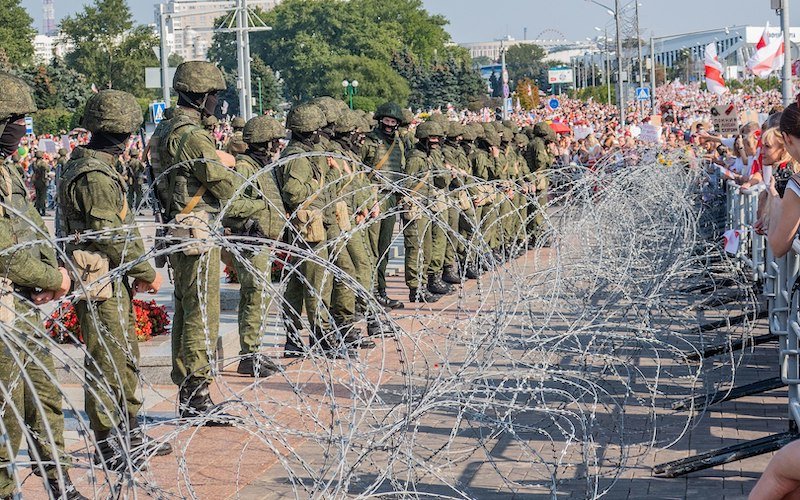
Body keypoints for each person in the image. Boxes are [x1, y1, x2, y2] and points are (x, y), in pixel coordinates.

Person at [58, 89, 173, 470]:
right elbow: (111, 234)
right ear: (124, 132)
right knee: (109, 359)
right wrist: (146, 272)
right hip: (101, 282)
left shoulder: (97, 167)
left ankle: (129, 430)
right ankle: (110, 441)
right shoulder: (93, 174)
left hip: (112, 278)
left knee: (123, 357)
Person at [0, 72, 84, 500]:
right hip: (4, 312)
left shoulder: (7, 169)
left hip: (21, 307)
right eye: (14, 119)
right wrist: (56, 279)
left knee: (45, 394)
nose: (20, 128)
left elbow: (30, 229)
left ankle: (59, 481)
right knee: (7, 411)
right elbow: (5, 253)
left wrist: (51, 276)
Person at [154, 61, 239, 423]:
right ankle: (197, 393)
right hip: (197, 230)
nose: (217, 102)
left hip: (177, 228)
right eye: (214, 95)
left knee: (186, 311)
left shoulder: (164, 130)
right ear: (201, 96)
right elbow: (222, 184)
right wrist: (236, 167)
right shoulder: (193, 136)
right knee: (202, 313)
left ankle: (188, 388)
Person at [278, 103, 353, 359]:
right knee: (316, 283)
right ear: (309, 131)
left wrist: (331, 173)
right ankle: (321, 337)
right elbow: (292, 192)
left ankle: (294, 337)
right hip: (308, 227)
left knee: (303, 284)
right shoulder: (298, 158)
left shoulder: (308, 153)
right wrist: (318, 181)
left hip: (314, 225)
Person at [221, 115, 286, 376]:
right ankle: (249, 355)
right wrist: (261, 206)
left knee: (259, 296)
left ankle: (254, 350)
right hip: (251, 242)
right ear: (264, 143)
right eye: (274, 142)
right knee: (254, 295)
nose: (277, 147)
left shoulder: (260, 166)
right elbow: (232, 207)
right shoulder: (245, 168)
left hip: (262, 243)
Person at [361, 102, 406, 310]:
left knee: (384, 248)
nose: (389, 124)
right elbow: (360, 172)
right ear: (380, 120)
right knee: (371, 249)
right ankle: (370, 292)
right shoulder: (370, 142)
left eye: (393, 121)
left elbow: (401, 169)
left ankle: (381, 290)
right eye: (387, 120)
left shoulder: (399, 143)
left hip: (391, 198)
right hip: (374, 198)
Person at [403, 120, 445, 303]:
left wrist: (436, 159)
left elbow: (443, 180)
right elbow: (406, 184)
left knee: (426, 249)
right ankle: (415, 288)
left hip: (426, 206)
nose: (435, 142)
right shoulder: (415, 158)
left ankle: (423, 284)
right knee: (416, 248)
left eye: (437, 138)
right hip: (415, 208)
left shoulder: (430, 156)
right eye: (432, 138)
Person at [32, 150, 49, 216]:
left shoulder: (34, 163)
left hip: (36, 180)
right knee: (43, 196)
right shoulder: (43, 163)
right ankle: (43, 210)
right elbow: (48, 169)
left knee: (38, 196)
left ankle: (38, 210)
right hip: (42, 180)